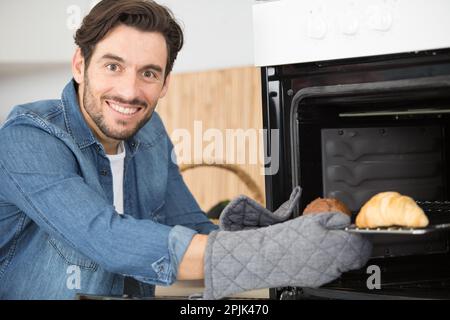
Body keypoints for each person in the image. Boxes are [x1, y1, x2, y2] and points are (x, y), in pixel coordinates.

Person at [0, 0, 371, 300]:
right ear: (80, 65)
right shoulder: (28, 137)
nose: (129, 92)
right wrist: (273, 253)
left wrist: (283, 234)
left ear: (164, 84)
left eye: (148, 73)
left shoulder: (150, 133)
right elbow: (104, 238)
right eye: (113, 66)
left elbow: (189, 226)